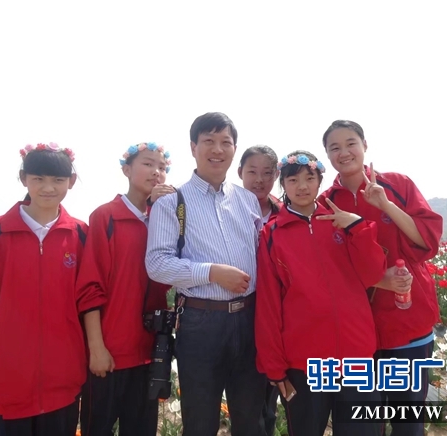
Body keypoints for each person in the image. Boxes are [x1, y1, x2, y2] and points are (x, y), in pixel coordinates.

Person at [0, 143, 87, 436]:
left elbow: (91, 305)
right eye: (38, 179)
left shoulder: (81, 235)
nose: (48, 188)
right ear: (24, 179)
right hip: (4, 388)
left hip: (62, 387)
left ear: (71, 182)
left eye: (58, 180)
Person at [318, 120, 443, 436]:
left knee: (408, 422)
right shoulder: (326, 202)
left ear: (364, 145)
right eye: (334, 147)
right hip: (357, 332)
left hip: (407, 321)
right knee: (363, 423)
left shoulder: (397, 185)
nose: (344, 152)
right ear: (327, 155)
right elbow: (327, 267)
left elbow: (427, 241)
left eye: (350, 143)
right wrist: (377, 280)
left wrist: (386, 205)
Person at [146, 112, 266, 436]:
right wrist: (212, 272)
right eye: (209, 141)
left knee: (251, 420)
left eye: (225, 142)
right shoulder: (172, 202)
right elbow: (157, 264)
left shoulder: (247, 200)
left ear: (234, 148)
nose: (217, 149)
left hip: (250, 319)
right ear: (193, 147)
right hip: (201, 323)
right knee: (200, 422)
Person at [255, 150, 386, 436]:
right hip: (305, 363)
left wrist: (358, 228)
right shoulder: (272, 234)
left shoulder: (342, 222)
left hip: (356, 356)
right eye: (293, 180)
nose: (302, 186)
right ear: (283, 184)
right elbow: (268, 303)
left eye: (309, 178)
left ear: (319, 181)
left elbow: (373, 274)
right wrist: (274, 366)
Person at [75, 142, 174, 436]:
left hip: (149, 353)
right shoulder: (105, 217)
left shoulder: (165, 220)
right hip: (109, 354)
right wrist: (96, 349)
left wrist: (167, 212)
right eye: (148, 164)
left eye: (162, 167)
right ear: (126, 170)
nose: (156, 172)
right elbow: (91, 286)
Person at [237, 145, 281, 435]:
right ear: (240, 172)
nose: (259, 180)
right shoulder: (227, 208)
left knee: (270, 396)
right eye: (252, 172)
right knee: (245, 396)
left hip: (276, 313)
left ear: (276, 175)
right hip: (240, 311)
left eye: (267, 173)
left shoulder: (285, 212)